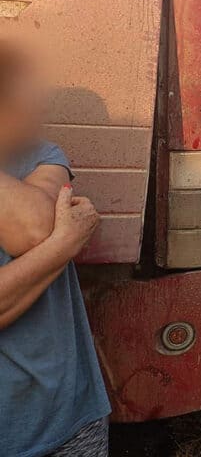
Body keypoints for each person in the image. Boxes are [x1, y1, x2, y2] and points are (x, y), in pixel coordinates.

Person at [0, 42, 109, 457]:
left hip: (67, 422)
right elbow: (50, 235)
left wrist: (54, 239)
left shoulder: (40, 155)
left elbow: (32, 227)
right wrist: (65, 243)